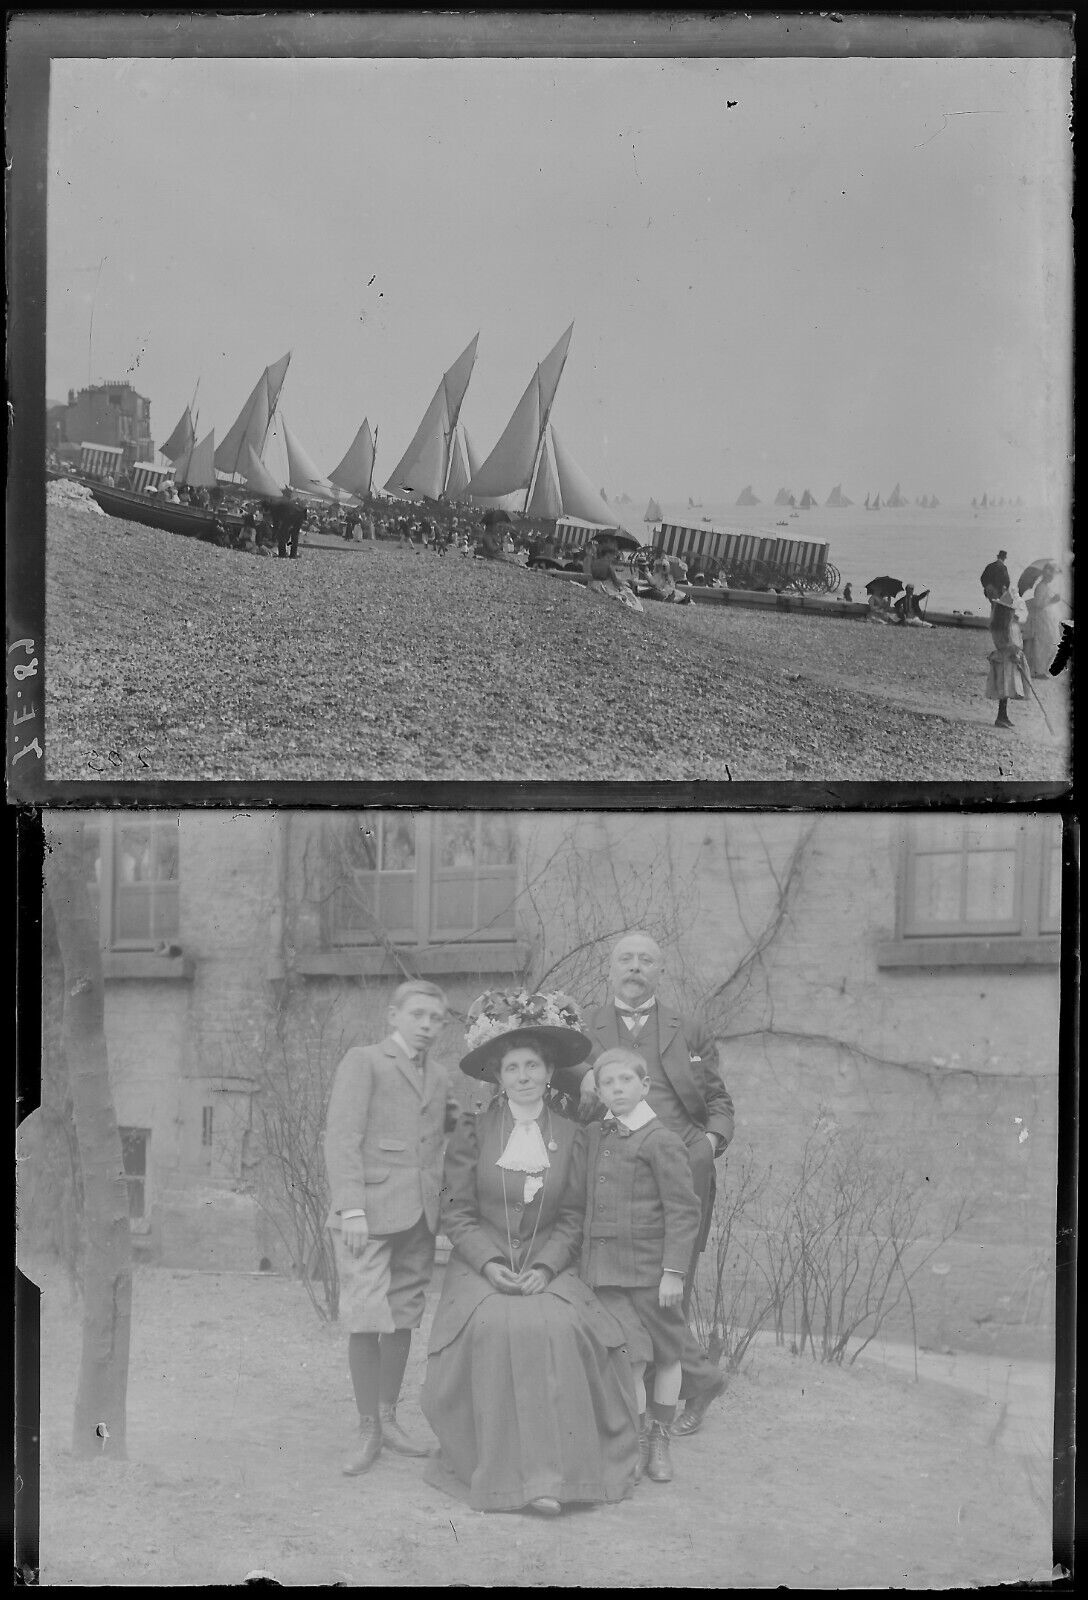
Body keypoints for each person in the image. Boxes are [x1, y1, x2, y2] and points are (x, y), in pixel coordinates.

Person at [421, 991, 640, 1516]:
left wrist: (544, 1266)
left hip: (549, 1262)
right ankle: (508, 1476)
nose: (522, 1076)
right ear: (497, 1076)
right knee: (498, 1327)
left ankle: (559, 1478)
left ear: (548, 1072)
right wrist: (491, 1263)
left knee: (559, 1328)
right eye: (512, 1067)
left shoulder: (571, 1136)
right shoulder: (473, 1132)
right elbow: (456, 1213)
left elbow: (572, 1216)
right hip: (482, 1266)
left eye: (532, 1066)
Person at [554, 932, 734, 1438]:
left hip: (678, 1176)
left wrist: (709, 1143)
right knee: (615, 1293)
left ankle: (663, 1411)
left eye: (646, 961)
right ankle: (690, 1385)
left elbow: (718, 1099)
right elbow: (565, 1093)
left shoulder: (688, 1027)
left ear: (660, 971)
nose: (635, 968)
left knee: (668, 1294)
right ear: (609, 969)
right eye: (625, 959)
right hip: (611, 1174)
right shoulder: (582, 1026)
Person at [323, 980, 458, 1478]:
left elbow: (438, 1131)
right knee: (365, 1314)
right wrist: (351, 1208)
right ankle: (366, 1428)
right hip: (369, 1213)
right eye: (418, 1014)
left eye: (436, 1018)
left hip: (419, 1212)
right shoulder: (365, 1061)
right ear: (393, 1015)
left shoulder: (440, 1075)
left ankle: (388, 1417)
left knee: (403, 1315)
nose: (427, 1025)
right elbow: (342, 1136)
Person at [581, 1047, 702, 1486]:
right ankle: (630, 1444)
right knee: (629, 1359)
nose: (616, 1089)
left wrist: (674, 1271)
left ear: (644, 1086)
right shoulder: (596, 1135)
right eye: (607, 1083)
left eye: (625, 1081)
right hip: (607, 1272)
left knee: (668, 1354)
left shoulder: (661, 1140)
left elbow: (683, 1210)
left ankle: (660, 1436)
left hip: (654, 1274)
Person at [986, 587, 1029, 729]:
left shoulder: (999, 624)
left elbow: (1005, 642)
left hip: (1004, 658)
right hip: (1008, 659)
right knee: (1006, 688)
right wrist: (1015, 654)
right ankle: (1001, 717)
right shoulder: (1007, 626)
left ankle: (1003, 716)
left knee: (1005, 688)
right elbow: (1010, 643)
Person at [1024, 563, 1063, 676]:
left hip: (1046, 619)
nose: (1052, 577)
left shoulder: (1045, 586)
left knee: (1049, 643)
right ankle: (1038, 671)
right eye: (1051, 575)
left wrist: (1053, 599)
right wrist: (1052, 600)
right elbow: (1037, 604)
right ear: (1046, 575)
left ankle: (1040, 670)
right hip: (1040, 619)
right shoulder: (1041, 586)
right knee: (1042, 644)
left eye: (1053, 575)